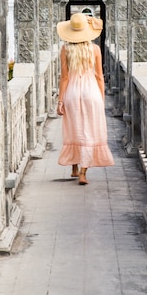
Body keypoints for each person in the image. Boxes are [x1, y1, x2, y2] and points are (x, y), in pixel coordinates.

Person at [56, 12, 114, 185]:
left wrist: (60, 101)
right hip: (91, 93)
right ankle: (83, 173)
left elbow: (64, 77)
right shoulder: (95, 49)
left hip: (72, 93)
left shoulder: (65, 49)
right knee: (89, 130)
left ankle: (73, 167)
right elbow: (99, 76)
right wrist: (101, 98)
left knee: (74, 128)